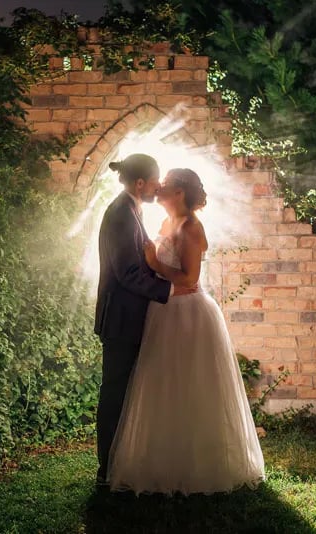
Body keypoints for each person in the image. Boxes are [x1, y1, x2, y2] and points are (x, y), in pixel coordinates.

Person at [107, 168, 265, 496]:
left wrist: (155, 264)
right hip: (163, 310)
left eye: (165, 185)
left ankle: (199, 465)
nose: (159, 189)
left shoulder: (192, 227)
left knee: (192, 385)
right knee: (163, 384)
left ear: (180, 193)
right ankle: (164, 461)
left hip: (188, 313)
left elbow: (190, 278)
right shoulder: (166, 222)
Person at [94, 154, 198, 487]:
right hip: (121, 319)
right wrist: (171, 289)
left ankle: (122, 462)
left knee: (128, 393)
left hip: (133, 316)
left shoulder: (131, 209)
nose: (158, 187)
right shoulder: (120, 214)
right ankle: (106, 470)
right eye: (155, 182)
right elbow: (127, 274)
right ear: (140, 183)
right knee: (115, 394)